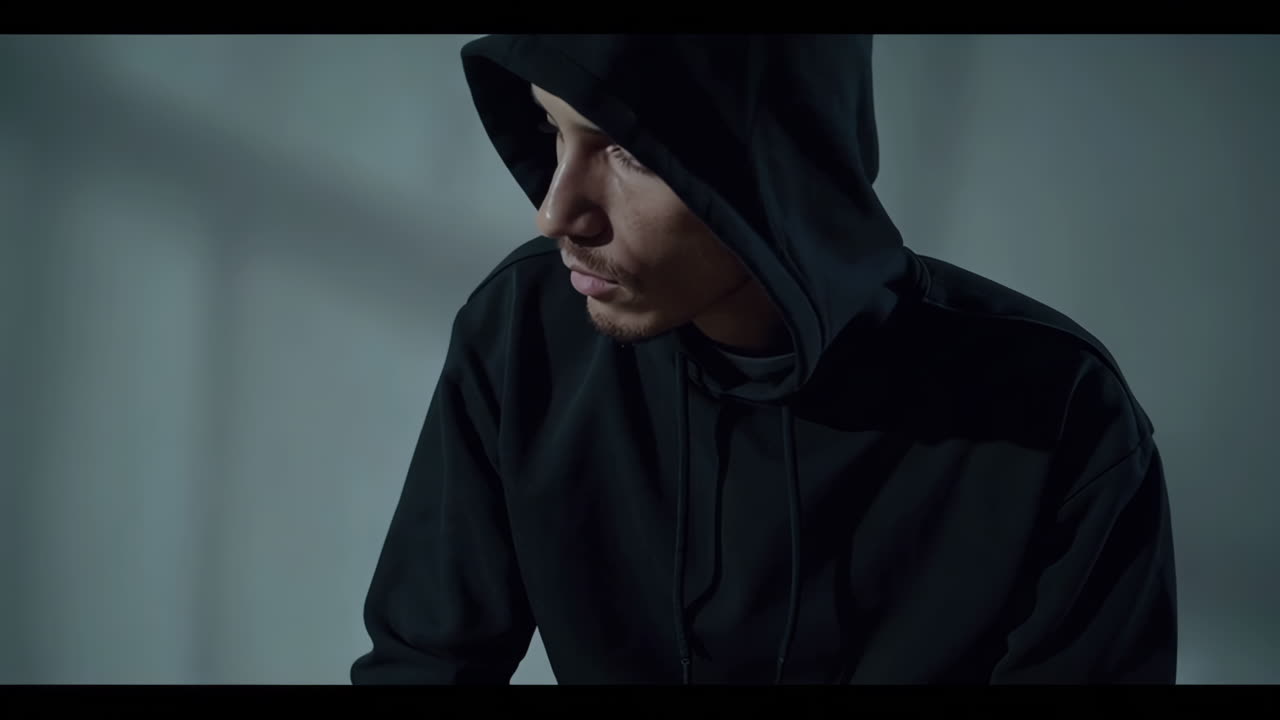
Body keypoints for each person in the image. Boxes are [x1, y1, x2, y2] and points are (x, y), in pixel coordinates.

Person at [349, 34, 1178, 685]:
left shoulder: (1059, 412)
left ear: (775, 166)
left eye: (627, 153)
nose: (556, 212)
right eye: (553, 131)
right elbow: (424, 666)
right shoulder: (525, 331)